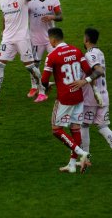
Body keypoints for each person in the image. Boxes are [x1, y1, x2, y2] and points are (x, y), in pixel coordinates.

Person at [41, 27, 102, 173]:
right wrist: (83, 81)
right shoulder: (76, 51)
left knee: (56, 129)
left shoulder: (52, 55)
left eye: (49, 39)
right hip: (78, 96)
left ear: (53, 40)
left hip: (64, 98)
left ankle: (81, 153)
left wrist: (46, 86)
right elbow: (89, 71)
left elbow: (44, 79)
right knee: (75, 129)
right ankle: (72, 164)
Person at [72, 28, 111, 165]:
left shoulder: (90, 54)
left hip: (91, 98)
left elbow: (99, 71)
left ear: (86, 39)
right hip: (103, 95)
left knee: (84, 125)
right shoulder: (99, 52)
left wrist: (85, 81)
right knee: (103, 127)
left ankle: (85, 158)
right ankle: (85, 158)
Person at [27, 0, 63, 98]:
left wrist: (52, 16)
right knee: (34, 65)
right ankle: (34, 87)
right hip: (35, 39)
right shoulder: (30, 1)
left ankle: (58, 84)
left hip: (51, 39)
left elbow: (60, 16)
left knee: (57, 62)